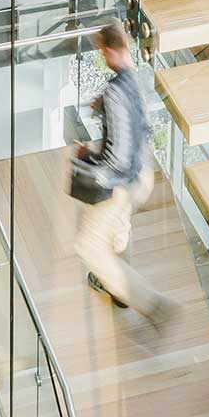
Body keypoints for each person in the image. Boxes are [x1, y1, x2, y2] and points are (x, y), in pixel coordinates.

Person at [73, 23, 174, 326]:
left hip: (121, 180)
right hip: (142, 174)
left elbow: (116, 157)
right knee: (118, 229)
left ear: (111, 49)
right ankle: (120, 294)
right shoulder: (136, 80)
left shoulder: (115, 92)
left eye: (102, 50)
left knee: (88, 246)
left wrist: (89, 161)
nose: (101, 56)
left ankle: (148, 301)